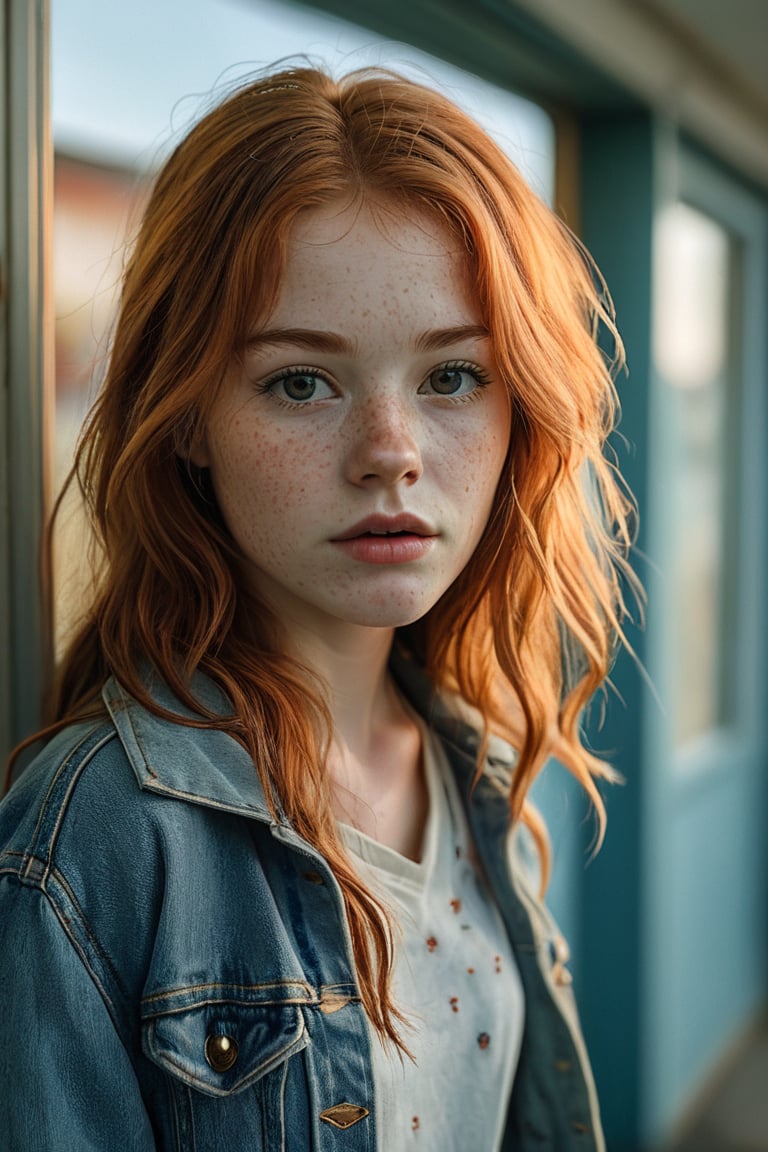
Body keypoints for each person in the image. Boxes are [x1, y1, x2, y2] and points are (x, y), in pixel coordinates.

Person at [0, 64, 638, 1151]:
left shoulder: (482, 769)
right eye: (302, 381)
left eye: (452, 379)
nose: (391, 455)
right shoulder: (97, 840)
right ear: (189, 418)